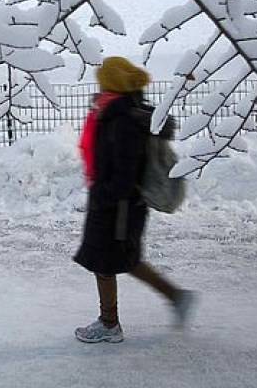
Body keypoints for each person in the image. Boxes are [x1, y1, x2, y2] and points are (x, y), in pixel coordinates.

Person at [73, 56, 197, 343]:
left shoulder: (123, 121)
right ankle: (174, 298)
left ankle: (110, 324)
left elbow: (125, 172)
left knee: (109, 261)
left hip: (119, 206)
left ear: (111, 84)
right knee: (120, 260)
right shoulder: (115, 111)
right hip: (116, 203)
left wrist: (102, 196)